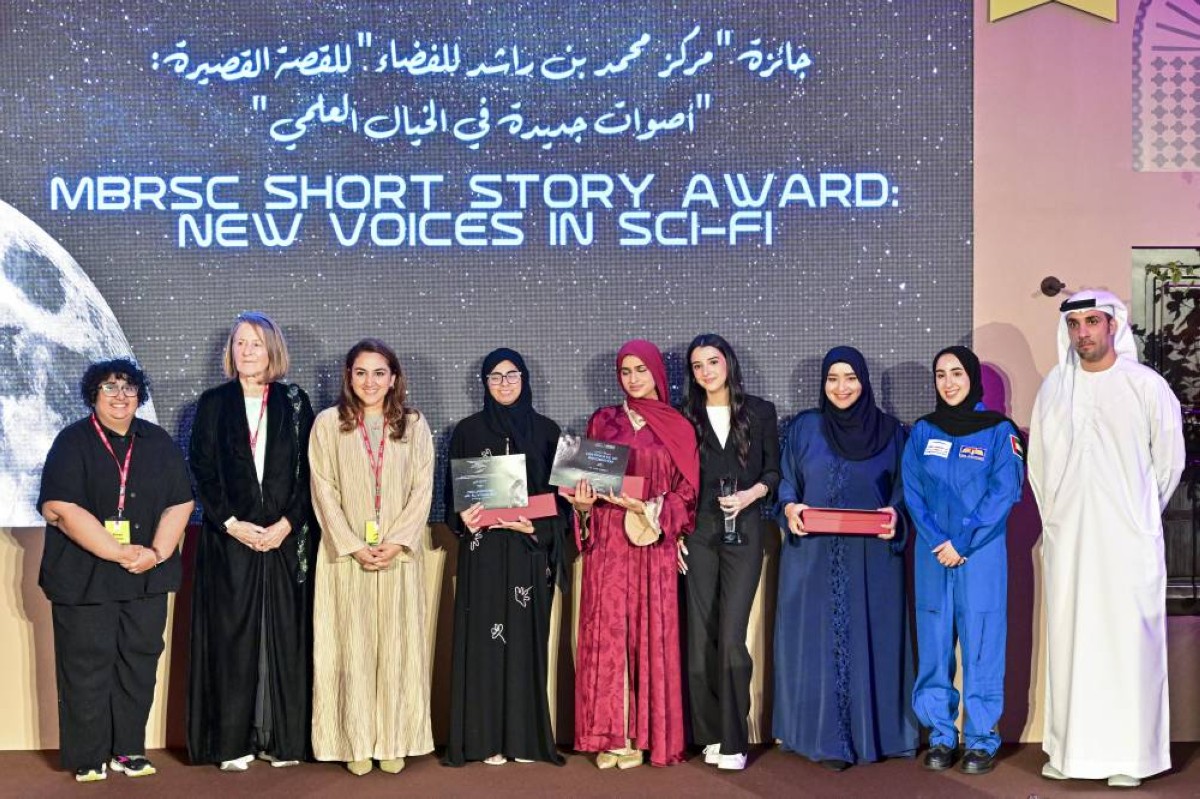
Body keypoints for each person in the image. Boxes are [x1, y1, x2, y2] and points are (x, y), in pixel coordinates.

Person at [1029, 290, 1184, 788]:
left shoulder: (1146, 385)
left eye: (1092, 322)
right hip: (1070, 541)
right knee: (1071, 640)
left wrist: (1138, 516)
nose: (1083, 333)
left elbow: (1169, 462)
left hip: (1127, 542)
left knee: (1127, 645)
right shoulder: (1055, 387)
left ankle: (1129, 758)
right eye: (1074, 324)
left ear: (1112, 325)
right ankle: (1070, 753)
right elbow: (1040, 467)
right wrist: (1059, 519)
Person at [38, 359, 193, 782]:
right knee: (85, 667)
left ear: (139, 395)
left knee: (138, 666)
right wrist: (120, 552)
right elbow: (60, 509)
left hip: (146, 576)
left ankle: (128, 750)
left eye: (128, 388)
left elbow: (181, 501)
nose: (120, 396)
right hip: (85, 578)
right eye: (109, 387)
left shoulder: (158, 442)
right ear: (94, 394)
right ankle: (88, 756)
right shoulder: (72, 442)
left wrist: (156, 553)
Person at [774, 346, 917, 770]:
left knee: (870, 640)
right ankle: (819, 737)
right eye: (832, 379)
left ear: (864, 382)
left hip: (872, 559)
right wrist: (789, 507)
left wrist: (897, 515)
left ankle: (872, 736)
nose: (841, 388)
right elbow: (787, 480)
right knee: (817, 643)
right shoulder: (805, 428)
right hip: (812, 555)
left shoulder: (890, 433)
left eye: (850, 378)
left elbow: (906, 490)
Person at [187, 312, 316, 771]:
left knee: (284, 636)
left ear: (272, 350)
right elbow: (202, 469)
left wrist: (288, 523)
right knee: (233, 639)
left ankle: (282, 741)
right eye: (240, 343)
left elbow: (312, 472)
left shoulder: (294, 402)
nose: (246, 351)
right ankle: (232, 744)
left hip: (285, 539)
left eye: (256, 343)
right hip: (231, 539)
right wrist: (230, 523)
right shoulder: (213, 403)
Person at [568, 339, 698, 769]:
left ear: (658, 373)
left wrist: (648, 508)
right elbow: (585, 484)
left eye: (641, 370)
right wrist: (582, 506)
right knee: (607, 637)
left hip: (650, 544)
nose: (633, 379)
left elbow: (686, 495)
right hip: (608, 543)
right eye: (625, 371)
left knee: (649, 636)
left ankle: (644, 738)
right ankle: (612, 736)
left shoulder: (678, 426)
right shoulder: (603, 421)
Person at [308, 339, 435, 776]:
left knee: (398, 649)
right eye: (361, 372)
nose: (370, 382)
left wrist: (397, 541)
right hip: (346, 556)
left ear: (393, 378)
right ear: (349, 377)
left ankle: (395, 739)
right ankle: (355, 739)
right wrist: (353, 544)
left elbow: (422, 488)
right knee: (350, 649)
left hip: (399, 556)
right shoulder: (328, 424)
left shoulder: (414, 425)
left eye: (379, 373)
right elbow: (323, 489)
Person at [902, 346, 1025, 776]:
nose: (948, 382)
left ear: (972, 377)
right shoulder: (924, 431)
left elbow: (1004, 492)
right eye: (940, 375)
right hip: (933, 554)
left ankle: (980, 738)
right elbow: (912, 491)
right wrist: (939, 540)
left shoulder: (999, 432)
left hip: (980, 555)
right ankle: (941, 734)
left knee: (982, 644)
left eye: (956, 373)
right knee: (934, 644)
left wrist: (963, 541)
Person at [443, 348, 566, 767]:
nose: (504, 383)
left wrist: (536, 528)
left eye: (512, 375)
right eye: (494, 377)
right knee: (484, 645)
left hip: (528, 552)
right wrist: (464, 517)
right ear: (484, 383)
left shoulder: (548, 432)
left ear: (524, 379)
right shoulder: (467, 431)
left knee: (526, 645)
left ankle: (525, 740)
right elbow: (452, 499)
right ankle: (484, 741)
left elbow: (562, 504)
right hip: (485, 553)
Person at [678, 334, 779, 771]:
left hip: (746, 528)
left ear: (728, 363)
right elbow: (674, 480)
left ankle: (735, 739)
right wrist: (676, 533)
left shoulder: (759, 411)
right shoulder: (685, 416)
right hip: (699, 532)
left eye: (713, 362)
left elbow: (773, 471)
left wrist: (750, 495)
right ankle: (712, 735)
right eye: (697, 366)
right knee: (701, 636)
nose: (706, 372)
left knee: (732, 635)